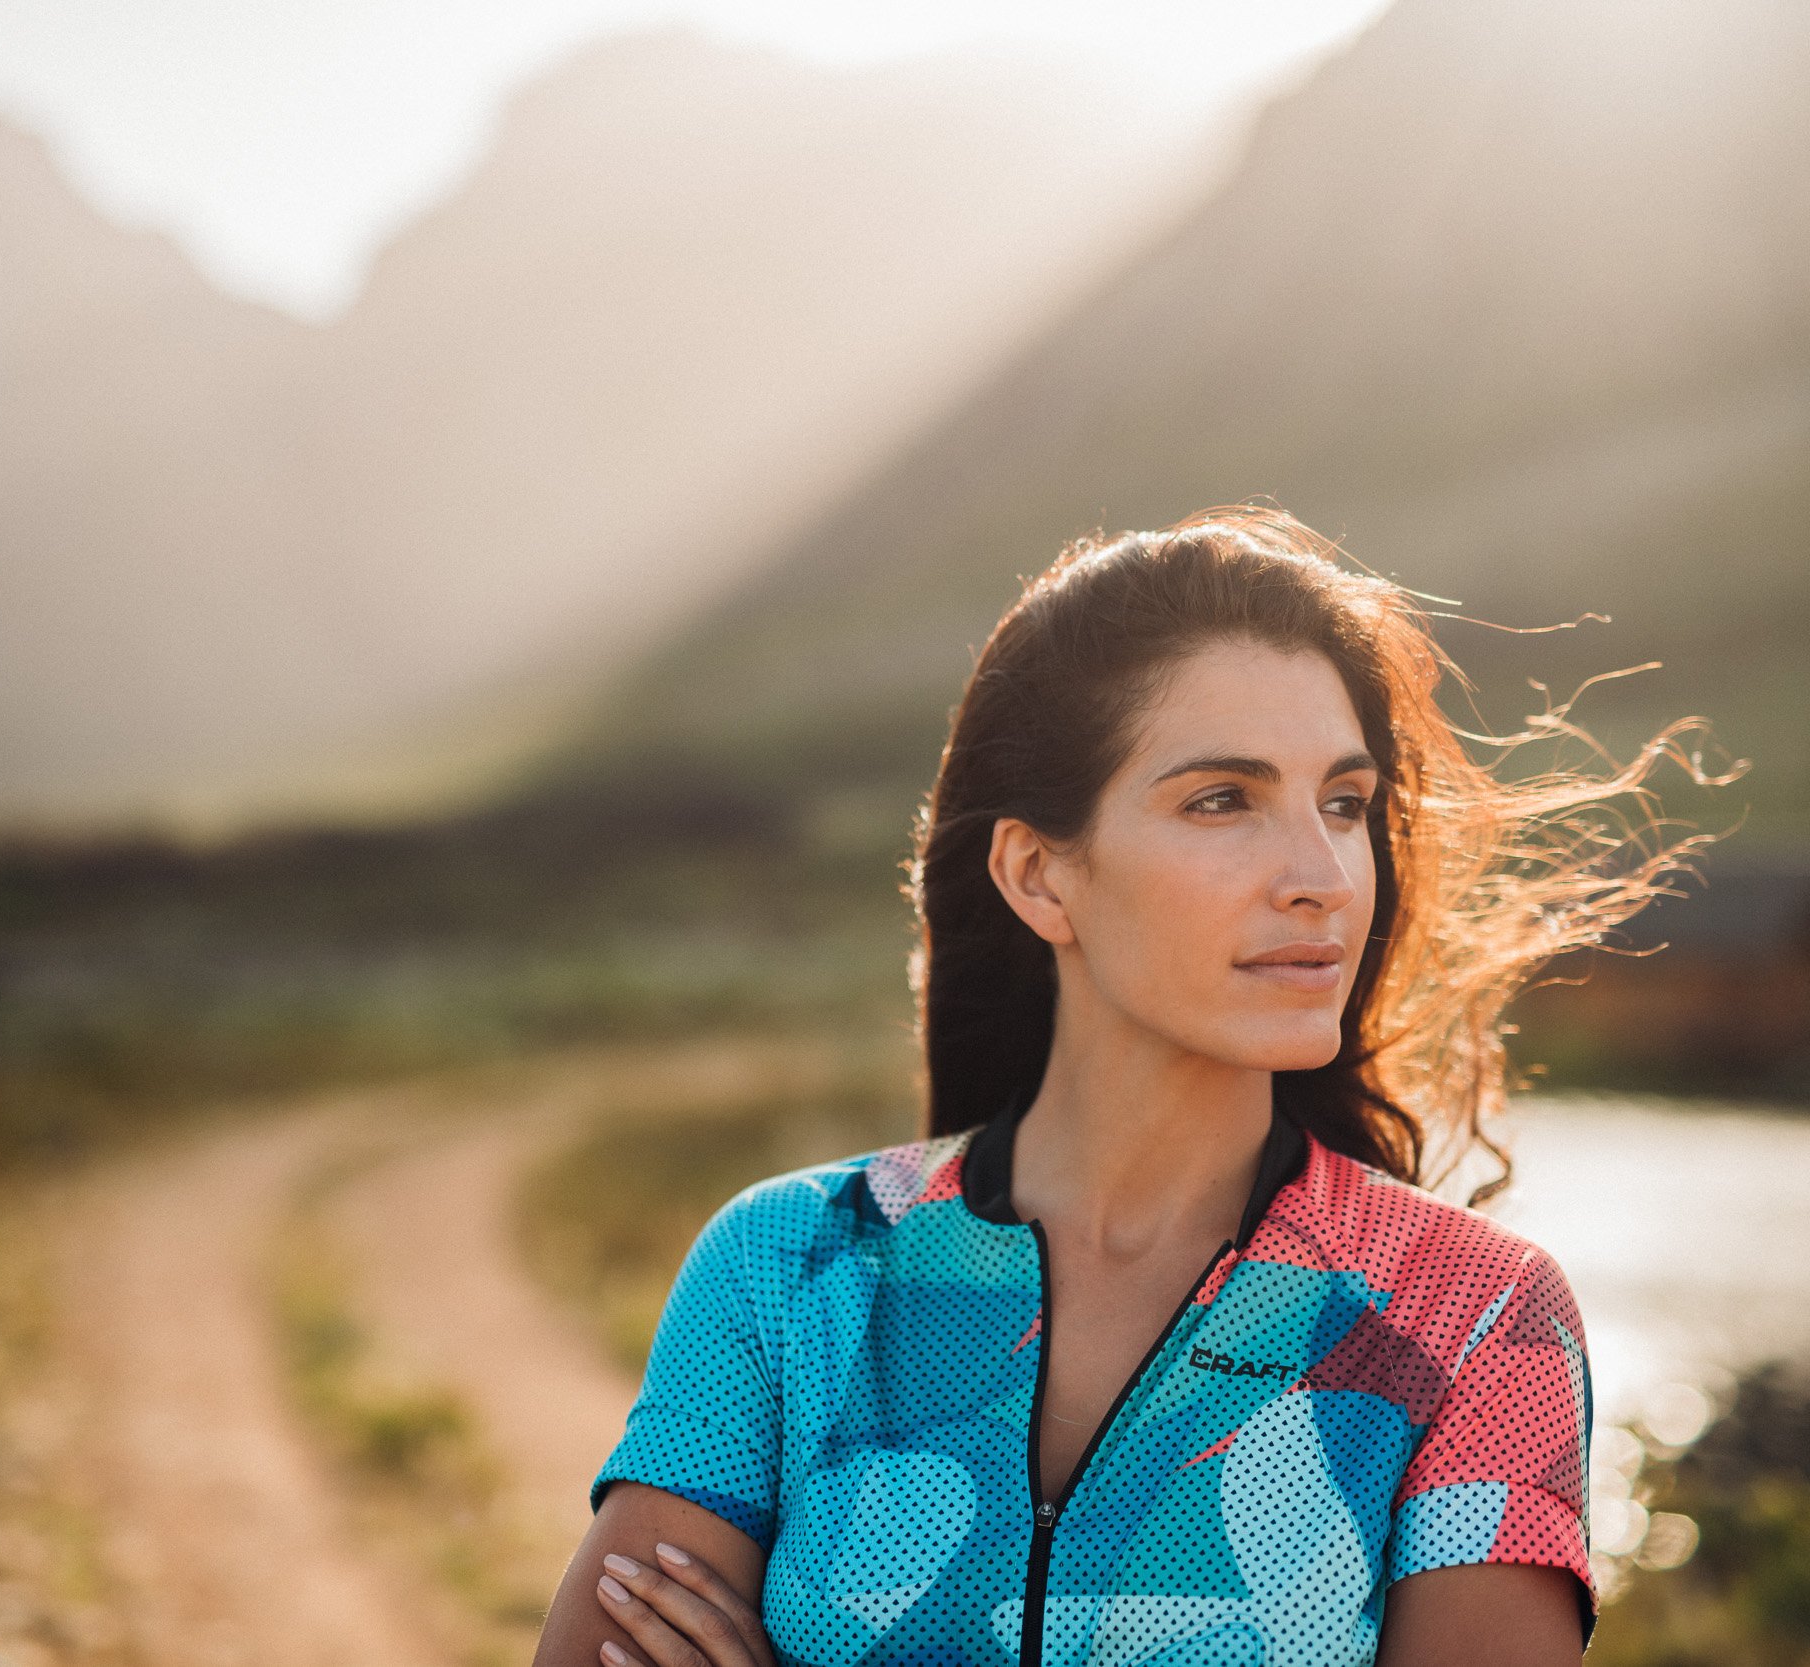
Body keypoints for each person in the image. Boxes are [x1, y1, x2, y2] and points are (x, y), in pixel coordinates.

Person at [536, 506, 1712, 1666]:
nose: (1320, 876)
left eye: (1342, 804)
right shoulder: (792, 1264)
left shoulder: (1473, 1321)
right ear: (1040, 874)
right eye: (1222, 800)